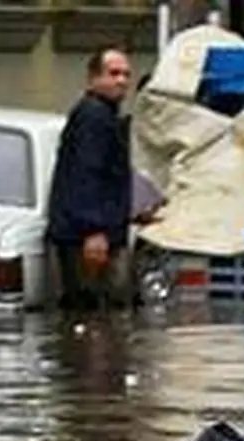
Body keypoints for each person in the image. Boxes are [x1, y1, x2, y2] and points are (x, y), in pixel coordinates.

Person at [45, 46, 158, 311]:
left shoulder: (104, 115)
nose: (122, 81)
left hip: (99, 233)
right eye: (114, 73)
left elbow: (111, 180)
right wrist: (94, 230)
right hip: (88, 240)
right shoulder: (93, 116)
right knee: (95, 315)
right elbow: (86, 175)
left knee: (106, 315)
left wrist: (130, 212)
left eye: (126, 75)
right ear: (93, 78)